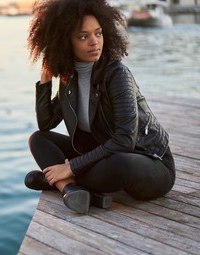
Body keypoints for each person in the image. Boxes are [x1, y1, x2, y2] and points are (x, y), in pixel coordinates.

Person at [24, 0, 176, 214]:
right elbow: (46, 123)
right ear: (65, 42)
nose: (94, 42)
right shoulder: (70, 78)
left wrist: (70, 167)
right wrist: (45, 82)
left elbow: (124, 140)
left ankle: (61, 182)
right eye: (83, 36)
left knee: (120, 163)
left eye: (98, 33)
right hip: (104, 156)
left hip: (150, 163)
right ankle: (70, 189)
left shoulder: (116, 74)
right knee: (38, 139)